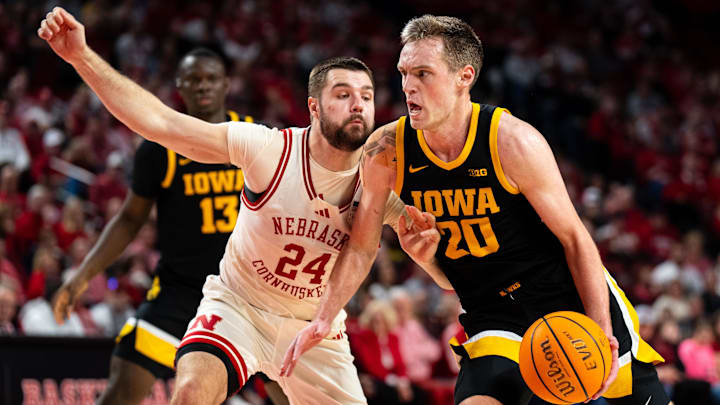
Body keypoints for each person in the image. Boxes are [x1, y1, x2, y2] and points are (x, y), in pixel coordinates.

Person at [281, 15, 672, 405]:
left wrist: (601, 329)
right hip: (492, 312)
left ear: (463, 77)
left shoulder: (512, 142)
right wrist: (323, 317)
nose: (408, 86)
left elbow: (575, 239)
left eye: (423, 73)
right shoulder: (387, 151)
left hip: (564, 295)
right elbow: (363, 246)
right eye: (403, 73)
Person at [38, 7, 405, 404]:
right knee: (174, 391)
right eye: (344, 94)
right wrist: (81, 56)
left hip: (309, 319)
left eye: (366, 96)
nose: (357, 105)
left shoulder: (378, 181)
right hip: (223, 299)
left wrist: (430, 246)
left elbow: (429, 251)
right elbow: (156, 136)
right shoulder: (263, 147)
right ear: (314, 107)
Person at [50, 43, 286, 404]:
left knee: (290, 391)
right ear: (180, 85)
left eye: (211, 78)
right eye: (194, 79)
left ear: (226, 84)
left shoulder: (258, 136)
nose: (203, 85)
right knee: (123, 385)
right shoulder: (159, 148)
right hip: (180, 292)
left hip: (249, 292)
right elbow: (130, 219)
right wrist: (82, 275)